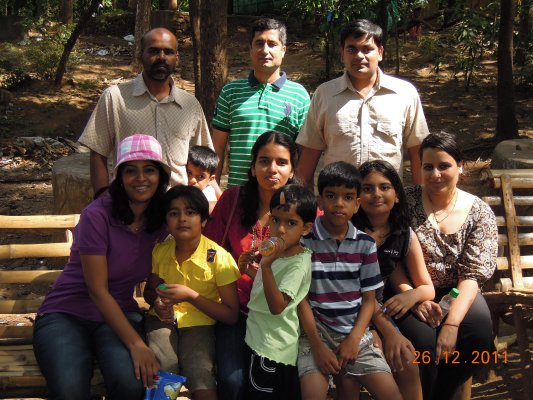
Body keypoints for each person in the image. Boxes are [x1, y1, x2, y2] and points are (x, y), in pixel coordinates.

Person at [33, 134, 171, 400]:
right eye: (130, 171)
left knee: (131, 385)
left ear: (161, 176)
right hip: (67, 313)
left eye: (149, 170)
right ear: (118, 177)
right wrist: (137, 344)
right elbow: (97, 290)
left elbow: (163, 273)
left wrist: (160, 296)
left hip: (118, 314)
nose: (140, 178)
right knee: (70, 391)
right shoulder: (97, 215)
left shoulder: (161, 221)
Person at [399, 132, 497, 400]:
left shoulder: (478, 211)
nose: (435, 174)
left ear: (460, 166)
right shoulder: (405, 202)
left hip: (459, 290)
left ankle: (441, 393)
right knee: (423, 343)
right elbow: (391, 255)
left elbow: (472, 276)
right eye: (428, 167)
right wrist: (415, 296)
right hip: (412, 290)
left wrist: (452, 323)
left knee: (478, 335)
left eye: (444, 166)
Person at [203, 131, 299, 400]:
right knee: (232, 382)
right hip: (235, 309)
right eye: (264, 161)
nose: (272, 169)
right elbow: (209, 250)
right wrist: (229, 269)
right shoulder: (233, 200)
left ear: (292, 170)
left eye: (281, 162)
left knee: (272, 384)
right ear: (253, 166)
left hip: (278, 315)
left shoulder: (304, 208)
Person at [298, 161, 402, 400]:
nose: (339, 203)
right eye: (331, 196)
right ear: (319, 201)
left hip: (356, 333)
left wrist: (354, 339)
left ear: (357, 204)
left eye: (347, 197)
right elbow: (301, 298)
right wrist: (317, 345)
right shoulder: (304, 241)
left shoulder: (365, 244)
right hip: (314, 334)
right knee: (312, 394)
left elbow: (369, 299)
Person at [296, 19, 429, 189]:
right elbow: (310, 152)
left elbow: (418, 151)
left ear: (380, 52)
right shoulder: (325, 94)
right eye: (352, 49)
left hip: (385, 200)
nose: (359, 56)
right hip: (338, 200)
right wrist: (298, 198)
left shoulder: (404, 94)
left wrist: (421, 198)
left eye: (367, 49)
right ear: (342, 53)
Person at [79, 27, 212, 192]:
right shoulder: (115, 98)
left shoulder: (190, 105)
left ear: (176, 58)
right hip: (129, 202)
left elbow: (204, 160)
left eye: (168, 52)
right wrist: (102, 198)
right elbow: (98, 154)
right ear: (140, 55)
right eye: (154, 51)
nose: (161, 57)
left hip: (177, 203)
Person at [143, 185, 240, 400]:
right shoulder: (161, 251)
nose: (182, 219)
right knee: (164, 364)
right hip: (161, 320)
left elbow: (231, 314)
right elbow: (150, 290)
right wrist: (157, 301)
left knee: (199, 371)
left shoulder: (219, 258)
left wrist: (190, 296)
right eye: (174, 213)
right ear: (166, 220)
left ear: (203, 220)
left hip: (200, 323)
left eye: (190, 212)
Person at [353, 159, 436, 399]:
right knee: (384, 358)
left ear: (397, 195)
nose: (376, 194)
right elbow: (357, 293)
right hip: (348, 311)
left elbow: (427, 287)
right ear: (356, 197)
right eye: (367, 188)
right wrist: (388, 332)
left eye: (384, 187)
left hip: (379, 310)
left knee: (406, 360)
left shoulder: (404, 234)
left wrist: (411, 296)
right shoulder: (347, 233)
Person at [211, 18, 310, 187]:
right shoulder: (231, 92)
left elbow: (303, 155)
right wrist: (214, 190)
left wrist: (297, 195)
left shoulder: (299, 95)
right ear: (250, 49)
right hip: (238, 194)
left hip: (282, 197)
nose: (265, 50)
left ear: (283, 50)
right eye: (259, 43)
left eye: (272, 44)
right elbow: (217, 149)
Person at [245, 184, 316, 399]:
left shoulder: (298, 263)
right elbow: (266, 288)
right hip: (259, 338)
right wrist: (249, 270)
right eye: (276, 220)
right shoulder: (278, 252)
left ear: (306, 228)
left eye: (291, 223)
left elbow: (277, 306)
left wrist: (266, 267)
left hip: (271, 348)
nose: (281, 229)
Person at [187, 145, 222, 213]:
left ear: (211, 179)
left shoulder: (207, 195)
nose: (192, 180)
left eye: (200, 176)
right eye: (189, 173)